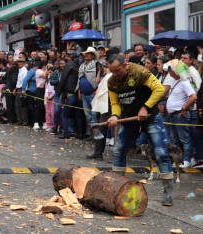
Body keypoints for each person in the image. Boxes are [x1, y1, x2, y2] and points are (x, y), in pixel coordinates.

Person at [107, 54, 174, 206]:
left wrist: (145, 107)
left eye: (117, 70)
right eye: (112, 71)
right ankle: (117, 187)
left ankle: (168, 192)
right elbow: (115, 102)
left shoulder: (140, 72)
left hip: (151, 118)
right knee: (118, 150)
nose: (115, 74)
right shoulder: (112, 82)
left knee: (161, 153)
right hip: (129, 119)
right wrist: (115, 116)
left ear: (125, 65)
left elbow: (158, 89)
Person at [166, 59, 197, 168]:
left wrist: (183, 108)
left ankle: (187, 160)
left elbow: (193, 96)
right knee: (175, 140)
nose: (169, 72)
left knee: (185, 138)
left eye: (170, 70)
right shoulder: (176, 81)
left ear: (175, 71)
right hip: (173, 115)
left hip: (179, 114)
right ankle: (177, 160)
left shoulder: (184, 82)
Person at [77, 47, 100, 140]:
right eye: (86, 53)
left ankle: (95, 135)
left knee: (94, 115)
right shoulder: (82, 66)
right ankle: (89, 134)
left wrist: (97, 89)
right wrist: (79, 91)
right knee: (87, 115)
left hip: (93, 93)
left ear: (93, 55)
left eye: (89, 53)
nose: (86, 55)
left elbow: (100, 78)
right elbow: (79, 79)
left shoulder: (97, 65)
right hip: (83, 94)